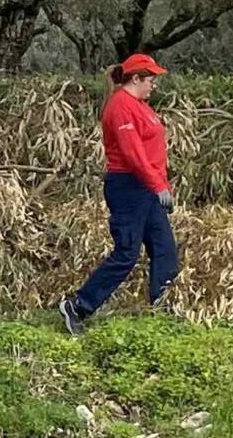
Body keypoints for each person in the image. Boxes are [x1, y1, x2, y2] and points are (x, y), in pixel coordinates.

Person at [59, 52, 179, 337]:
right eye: (150, 79)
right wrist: (157, 184)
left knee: (165, 250)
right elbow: (133, 153)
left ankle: (162, 310)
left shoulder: (140, 106)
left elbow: (151, 152)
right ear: (135, 79)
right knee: (127, 252)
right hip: (128, 186)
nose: (154, 85)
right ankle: (78, 306)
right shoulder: (121, 106)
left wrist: (161, 185)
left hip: (146, 187)